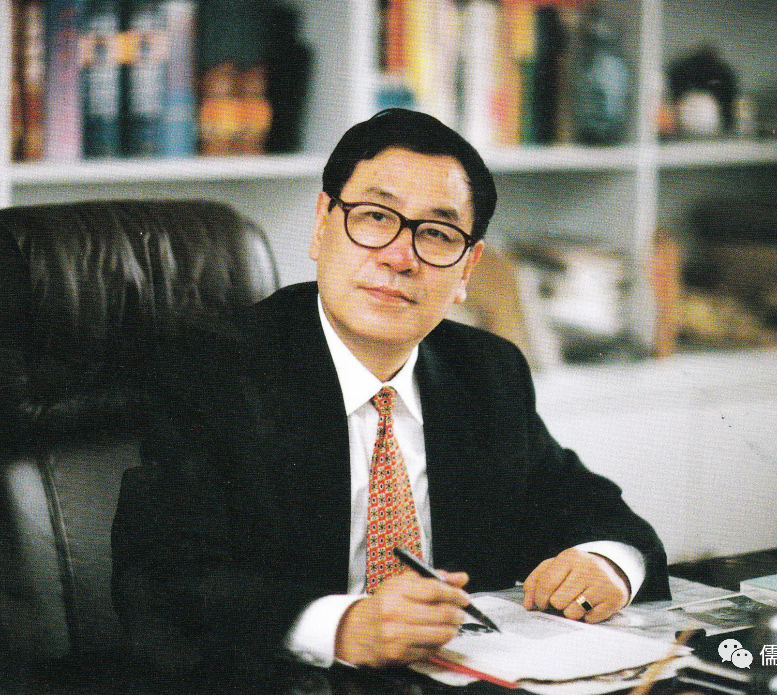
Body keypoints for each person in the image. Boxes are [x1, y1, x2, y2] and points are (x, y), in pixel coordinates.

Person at [111, 108, 670, 676]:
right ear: (322, 226)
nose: (400, 258)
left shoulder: (485, 373)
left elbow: (599, 514)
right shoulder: (213, 371)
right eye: (376, 217)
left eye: (437, 234)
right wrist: (345, 627)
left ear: (467, 268)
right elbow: (160, 583)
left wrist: (606, 564)